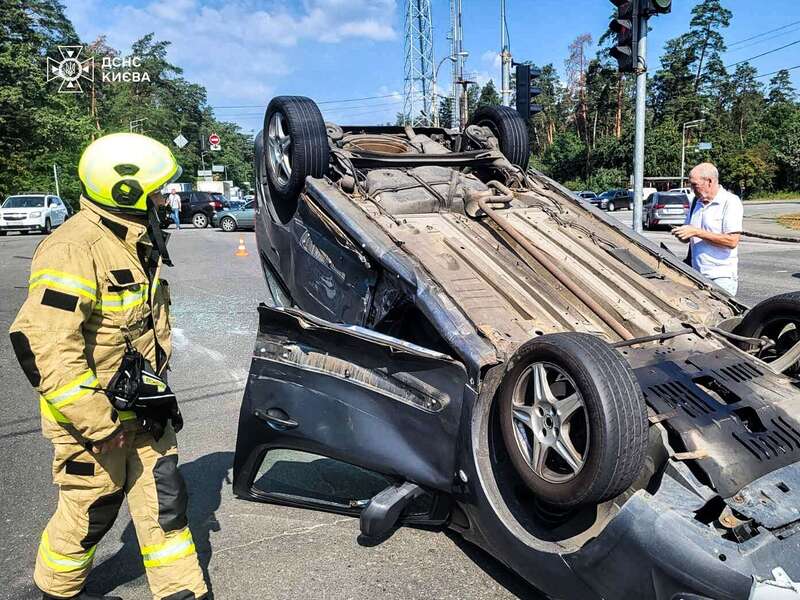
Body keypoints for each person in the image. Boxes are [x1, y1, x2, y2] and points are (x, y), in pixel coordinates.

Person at [9, 133, 208, 600]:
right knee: (91, 511)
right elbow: (44, 343)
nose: (166, 198)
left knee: (167, 506)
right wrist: (98, 424)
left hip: (146, 411)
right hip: (93, 422)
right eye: (158, 190)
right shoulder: (74, 248)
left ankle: (182, 593)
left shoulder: (132, 238)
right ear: (125, 191)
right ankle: (57, 591)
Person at [672, 162, 743, 296]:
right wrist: (682, 234)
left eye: (694, 185)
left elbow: (732, 241)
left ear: (709, 181)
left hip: (721, 278)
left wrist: (696, 232)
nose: (692, 189)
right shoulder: (696, 202)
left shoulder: (730, 202)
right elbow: (689, 236)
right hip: (696, 276)